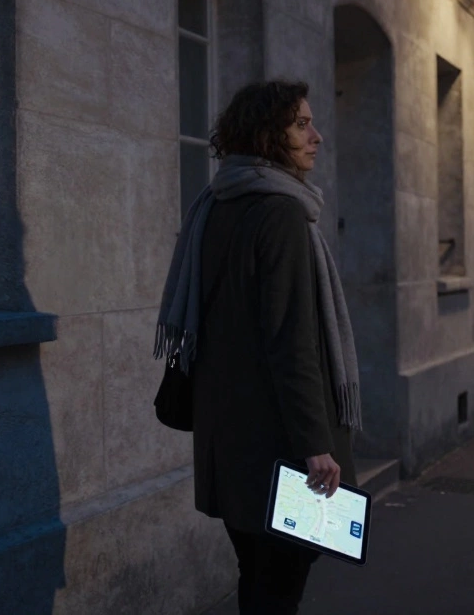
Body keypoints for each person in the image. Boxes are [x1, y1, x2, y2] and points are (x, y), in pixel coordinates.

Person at [155, 80, 363, 614]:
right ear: (269, 135)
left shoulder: (216, 205)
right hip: (279, 447)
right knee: (280, 583)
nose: (316, 136)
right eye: (301, 125)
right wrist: (316, 445)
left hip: (230, 444)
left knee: (258, 576)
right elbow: (290, 342)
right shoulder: (282, 215)